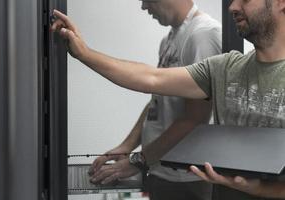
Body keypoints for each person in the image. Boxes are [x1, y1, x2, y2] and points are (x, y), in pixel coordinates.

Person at [51, 0, 285, 199]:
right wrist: (84, 53)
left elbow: (192, 118)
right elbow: (151, 79)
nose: (232, 6)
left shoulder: (203, 34)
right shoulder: (226, 67)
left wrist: (258, 188)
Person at [67, 1, 221, 200]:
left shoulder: (203, 36)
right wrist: (128, 145)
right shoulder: (170, 39)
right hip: (161, 171)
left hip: (189, 180)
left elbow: (195, 118)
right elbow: (159, 100)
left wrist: (140, 160)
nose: (144, 7)